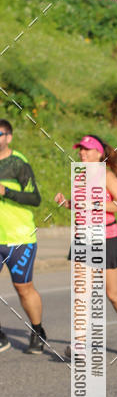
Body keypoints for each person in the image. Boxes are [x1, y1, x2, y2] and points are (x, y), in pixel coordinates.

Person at [54, 135, 117, 355]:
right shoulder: (80, 176)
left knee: (113, 294)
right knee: (82, 292)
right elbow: (82, 205)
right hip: (84, 238)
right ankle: (80, 343)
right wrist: (67, 204)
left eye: (88, 150)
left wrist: (95, 203)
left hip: (107, 239)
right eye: (80, 149)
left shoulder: (107, 176)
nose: (82, 153)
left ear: (99, 154)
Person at [0, 118, 47, 354]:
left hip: (19, 237)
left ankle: (38, 331)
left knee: (23, 288)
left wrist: (5, 191)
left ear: (8, 137)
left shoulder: (18, 164)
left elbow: (35, 199)